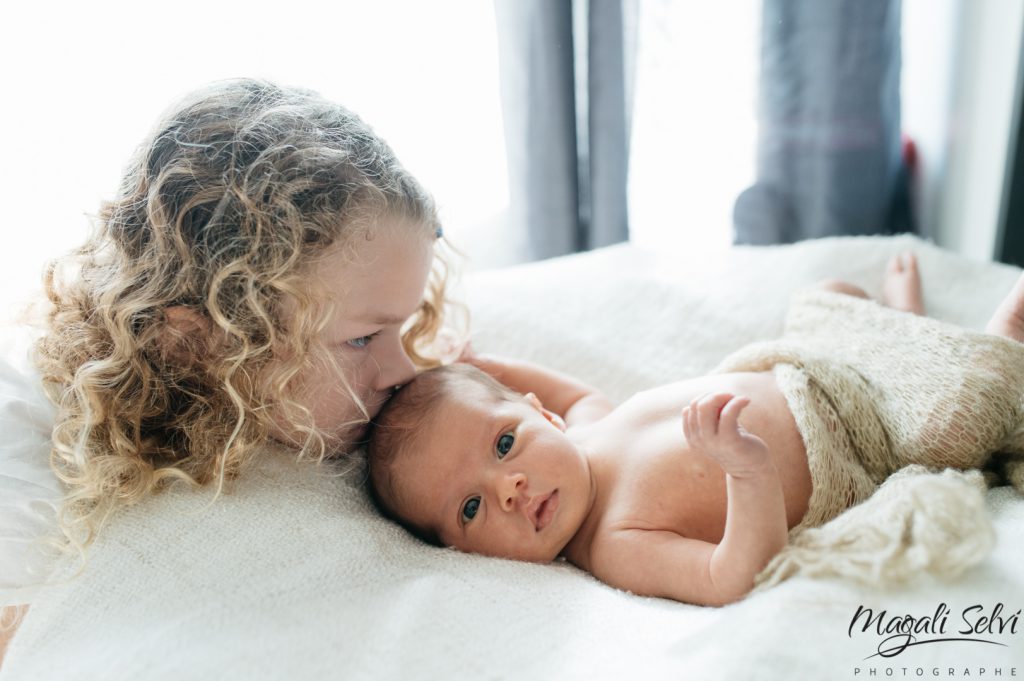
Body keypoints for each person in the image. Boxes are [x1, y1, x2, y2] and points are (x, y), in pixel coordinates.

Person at [1, 78, 457, 658]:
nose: (405, 369)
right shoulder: (24, 469)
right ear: (201, 342)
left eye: (401, 327)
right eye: (364, 337)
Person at [366, 254, 1024, 607]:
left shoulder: (586, 429)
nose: (509, 487)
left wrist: (481, 365)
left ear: (538, 413)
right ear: (457, 551)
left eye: (503, 442)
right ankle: (980, 339)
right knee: (957, 419)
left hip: (806, 369)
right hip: (858, 443)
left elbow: (574, 392)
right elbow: (731, 573)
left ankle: (902, 327)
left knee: (832, 291)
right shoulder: (614, 541)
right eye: (472, 506)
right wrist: (745, 469)